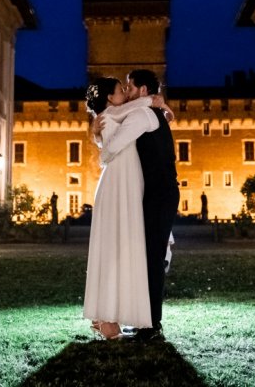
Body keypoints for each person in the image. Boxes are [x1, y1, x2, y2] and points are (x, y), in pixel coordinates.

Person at [98, 69, 179, 342]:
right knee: (147, 258)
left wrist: (102, 145)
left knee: (152, 260)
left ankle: (152, 327)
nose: (128, 93)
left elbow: (114, 147)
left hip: (160, 195)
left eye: (130, 88)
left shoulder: (142, 116)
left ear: (143, 90)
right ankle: (146, 322)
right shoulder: (146, 112)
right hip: (155, 195)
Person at [83, 76, 157, 339]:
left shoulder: (107, 115)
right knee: (118, 244)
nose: (125, 94)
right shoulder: (115, 111)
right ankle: (106, 321)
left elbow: (108, 140)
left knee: (113, 245)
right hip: (119, 181)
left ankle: (102, 316)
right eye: (120, 91)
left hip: (119, 178)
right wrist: (155, 100)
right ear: (108, 98)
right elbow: (138, 108)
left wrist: (97, 139)